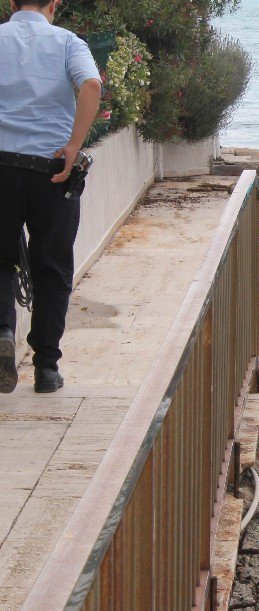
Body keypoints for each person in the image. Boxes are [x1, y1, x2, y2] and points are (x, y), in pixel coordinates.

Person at [0, 0, 102, 394]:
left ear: (12, 4)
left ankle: (3, 332)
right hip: (53, 170)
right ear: (53, 5)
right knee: (53, 266)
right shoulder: (67, 42)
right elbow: (91, 85)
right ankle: (45, 368)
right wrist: (74, 146)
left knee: (1, 259)